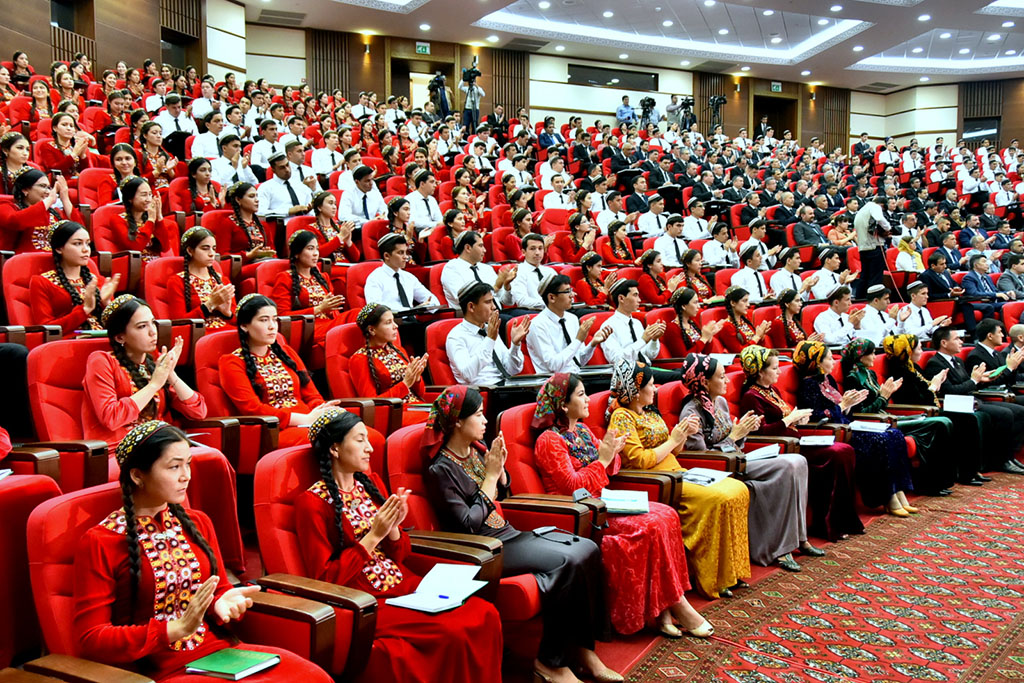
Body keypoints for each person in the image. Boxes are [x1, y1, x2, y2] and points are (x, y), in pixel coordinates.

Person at [72, 421, 331, 681]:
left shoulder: (196, 522)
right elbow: (91, 638)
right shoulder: (101, 540)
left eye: (188, 464)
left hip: (219, 653)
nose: (186, 475)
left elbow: (217, 589)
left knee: (313, 677)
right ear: (138, 475)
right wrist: (173, 629)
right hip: (155, 671)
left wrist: (223, 601)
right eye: (174, 467)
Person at [422, 385, 618, 683]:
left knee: (587, 549)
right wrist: (490, 476)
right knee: (565, 562)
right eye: (477, 415)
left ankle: (582, 649)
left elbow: (502, 487)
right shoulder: (441, 470)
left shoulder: (476, 451)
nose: (486, 420)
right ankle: (549, 663)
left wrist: (500, 474)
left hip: (507, 533)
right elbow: (468, 523)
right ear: (458, 422)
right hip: (485, 548)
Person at [295, 407, 502, 681]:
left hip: (404, 584)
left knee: (485, 613)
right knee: (451, 631)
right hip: (367, 601)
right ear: (334, 448)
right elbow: (324, 579)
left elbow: (401, 554)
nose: (369, 448)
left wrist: (393, 529)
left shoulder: (370, 483)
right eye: (360, 440)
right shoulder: (312, 503)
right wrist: (373, 536)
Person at [532, 374, 713, 637]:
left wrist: (613, 453)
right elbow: (571, 487)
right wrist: (604, 459)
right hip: (580, 514)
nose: (588, 400)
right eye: (581, 394)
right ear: (563, 404)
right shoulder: (549, 440)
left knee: (667, 516)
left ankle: (665, 607)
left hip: (603, 501)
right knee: (649, 525)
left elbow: (611, 468)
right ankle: (676, 605)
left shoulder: (582, 430)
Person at [82, 294, 244, 568]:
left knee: (214, 459)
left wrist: (171, 375)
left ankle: (224, 561)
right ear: (121, 336)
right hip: (115, 450)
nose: (152, 332)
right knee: (170, 466)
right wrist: (155, 383)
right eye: (141, 326)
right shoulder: (101, 361)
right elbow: (111, 417)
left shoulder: (152, 365)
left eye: (153, 323)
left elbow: (198, 411)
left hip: (161, 443)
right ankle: (187, 559)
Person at [606, 359, 752, 597]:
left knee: (737, 489)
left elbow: (675, 451)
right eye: (651, 385)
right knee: (717, 498)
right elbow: (640, 461)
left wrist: (684, 434)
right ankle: (711, 579)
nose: (655, 389)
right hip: (659, 481)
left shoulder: (650, 412)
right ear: (635, 389)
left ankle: (730, 572)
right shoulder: (622, 417)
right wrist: (674, 439)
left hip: (678, 472)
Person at [678, 353, 820, 570]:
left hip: (739, 457)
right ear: (705, 382)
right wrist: (734, 436)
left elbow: (736, 441)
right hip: (721, 468)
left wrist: (744, 432)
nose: (727, 381)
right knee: (788, 466)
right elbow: (701, 458)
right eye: (722, 377)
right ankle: (779, 548)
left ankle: (800, 538)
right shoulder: (692, 412)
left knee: (799, 461)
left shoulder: (722, 402)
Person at [739, 346, 863, 541]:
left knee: (845, 450)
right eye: (774, 368)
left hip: (797, 440)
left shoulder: (772, 390)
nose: (779, 372)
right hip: (781, 449)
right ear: (760, 372)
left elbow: (786, 418)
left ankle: (843, 521)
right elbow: (760, 433)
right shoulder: (751, 397)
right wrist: (789, 420)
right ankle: (826, 524)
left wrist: (799, 419)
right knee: (837, 453)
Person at [792, 340, 917, 517]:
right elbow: (817, 416)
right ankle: (886, 496)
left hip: (847, 424)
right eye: (829, 358)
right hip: (834, 432)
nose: (834, 362)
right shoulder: (809, 384)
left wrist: (851, 403)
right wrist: (843, 405)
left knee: (894, 434)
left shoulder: (829, 379)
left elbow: (842, 408)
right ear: (818, 362)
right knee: (880, 440)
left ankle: (898, 490)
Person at [219, 294, 341, 447]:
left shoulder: (286, 353)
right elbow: (252, 409)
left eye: (275, 319)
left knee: (356, 430)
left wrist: (322, 411)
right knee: (336, 439)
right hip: (274, 429)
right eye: (264, 320)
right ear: (244, 325)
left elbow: (312, 395)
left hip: (308, 420)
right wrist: (306, 419)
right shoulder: (232, 362)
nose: (272, 326)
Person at [841, 338, 957, 496]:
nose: (876, 356)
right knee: (939, 423)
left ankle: (940, 481)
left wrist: (887, 396)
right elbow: (861, 412)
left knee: (944, 421)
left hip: (888, 416)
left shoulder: (871, 374)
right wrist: (883, 397)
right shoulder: (852, 378)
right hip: (877, 423)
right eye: (872, 353)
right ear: (862, 357)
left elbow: (882, 404)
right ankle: (930, 484)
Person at [883, 333, 989, 486]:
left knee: (969, 417)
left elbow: (927, 392)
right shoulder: (899, 371)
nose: (922, 351)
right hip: (914, 412)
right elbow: (913, 399)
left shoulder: (913, 367)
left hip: (928, 408)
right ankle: (952, 477)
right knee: (962, 420)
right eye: (919, 348)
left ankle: (969, 471)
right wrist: (934, 385)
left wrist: (934, 385)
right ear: (909, 351)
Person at [924, 327, 1024, 475]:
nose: (961, 342)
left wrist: (982, 379)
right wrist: (974, 380)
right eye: (957, 339)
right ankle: (1001, 460)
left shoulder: (957, 360)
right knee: (1005, 414)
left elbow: (968, 383)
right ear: (944, 343)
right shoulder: (935, 363)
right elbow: (950, 391)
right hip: (958, 404)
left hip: (973, 399)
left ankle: (1009, 456)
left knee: (1019, 411)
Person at [30, 221, 120, 337]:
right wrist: (84, 310)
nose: (86, 249)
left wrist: (107, 303)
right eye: (77, 244)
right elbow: (47, 329)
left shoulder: (97, 280)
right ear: (59, 248)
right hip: (69, 344)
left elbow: (117, 326)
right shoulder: (42, 282)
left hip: (103, 339)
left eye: (87, 244)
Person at [270, 230, 350, 354]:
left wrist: (329, 310)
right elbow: (281, 315)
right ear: (296, 253)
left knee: (355, 319)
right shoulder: (285, 278)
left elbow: (334, 312)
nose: (315, 254)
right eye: (310, 249)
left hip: (330, 325)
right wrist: (318, 309)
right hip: (309, 329)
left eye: (317, 249)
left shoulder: (323, 277)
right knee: (353, 321)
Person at [349, 303, 430, 425]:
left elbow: (420, 393)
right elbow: (371, 403)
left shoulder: (399, 350)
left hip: (417, 406)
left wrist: (416, 378)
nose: (395, 326)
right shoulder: (359, 359)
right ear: (372, 330)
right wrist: (405, 384)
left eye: (394, 321)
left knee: (457, 407)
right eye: (388, 323)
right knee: (441, 418)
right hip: (394, 413)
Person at [446, 281, 529, 386]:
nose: (494, 307)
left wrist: (515, 345)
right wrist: (489, 339)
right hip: (485, 392)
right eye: (488, 302)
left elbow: (512, 370)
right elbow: (467, 374)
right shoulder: (456, 337)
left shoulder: (489, 329)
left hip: (506, 386)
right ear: (471, 307)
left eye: (493, 301)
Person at [527, 274, 611, 373]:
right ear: (551, 297)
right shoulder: (538, 325)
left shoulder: (572, 319)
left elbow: (579, 361)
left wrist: (593, 344)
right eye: (567, 291)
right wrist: (578, 340)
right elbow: (553, 366)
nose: (572, 295)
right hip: (553, 383)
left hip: (576, 377)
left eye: (571, 290)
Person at [169, 227, 235, 330]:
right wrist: (210, 304)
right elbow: (179, 324)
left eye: (214, 248)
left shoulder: (222, 280)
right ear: (190, 251)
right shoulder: (177, 281)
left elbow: (237, 321)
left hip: (226, 330)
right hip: (200, 335)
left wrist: (227, 313)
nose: (211, 253)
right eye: (205, 248)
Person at [364, 233, 440, 312]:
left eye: (406, 252)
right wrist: (410, 310)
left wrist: (426, 307)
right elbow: (375, 308)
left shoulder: (409, 277)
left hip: (413, 321)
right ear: (386, 256)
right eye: (400, 253)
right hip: (390, 322)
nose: (406, 257)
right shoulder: (375, 278)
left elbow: (432, 300)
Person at [440, 230, 515, 309]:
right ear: (468, 248)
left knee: (525, 316)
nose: (485, 250)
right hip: (474, 318)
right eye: (480, 246)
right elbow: (464, 299)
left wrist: (507, 286)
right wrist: (496, 287)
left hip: (497, 313)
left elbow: (508, 302)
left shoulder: (487, 268)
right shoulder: (451, 268)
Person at [109, 177, 177, 263]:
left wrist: (159, 217)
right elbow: (136, 247)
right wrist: (151, 220)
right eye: (144, 195)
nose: (149, 199)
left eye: (150, 195)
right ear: (130, 198)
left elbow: (165, 247)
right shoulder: (117, 219)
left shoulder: (149, 219)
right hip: (137, 267)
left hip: (156, 264)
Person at [853, 197, 890, 298]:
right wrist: (888, 227)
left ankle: (860, 299)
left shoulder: (861, 211)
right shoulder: (874, 207)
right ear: (881, 205)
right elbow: (879, 218)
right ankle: (874, 299)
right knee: (876, 277)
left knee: (864, 276)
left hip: (863, 248)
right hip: (875, 247)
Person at [720, 286, 771, 352]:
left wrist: (761, 336)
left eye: (748, 301)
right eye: (744, 301)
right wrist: (757, 337)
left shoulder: (745, 321)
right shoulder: (726, 326)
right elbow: (740, 352)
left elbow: (759, 347)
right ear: (733, 303)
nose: (748, 305)